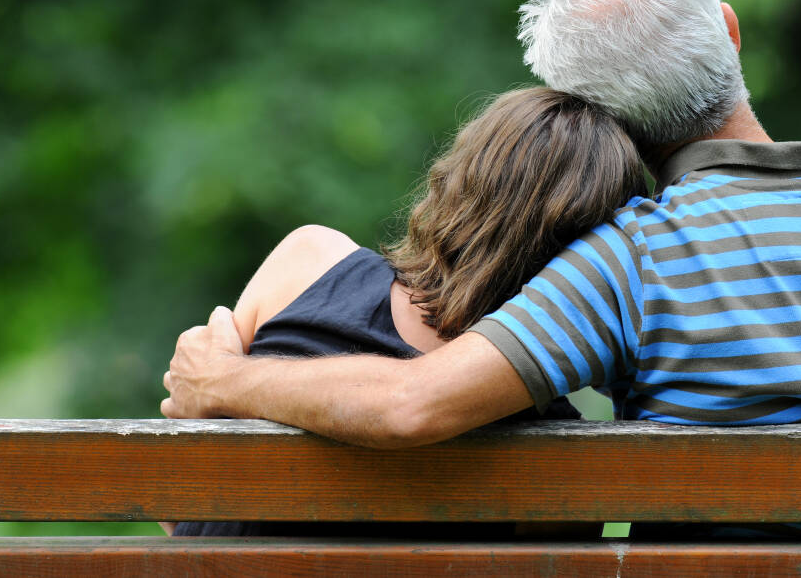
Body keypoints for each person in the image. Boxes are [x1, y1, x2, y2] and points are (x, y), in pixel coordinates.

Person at [163, 0, 801, 540]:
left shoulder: (633, 258)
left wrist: (226, 383)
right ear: (730, 28)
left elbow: (413, 403)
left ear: (594, 115)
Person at [168, 86, 645, 537]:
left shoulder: (307, 263)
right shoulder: (561, 461)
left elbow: (171, 499)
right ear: (590, 256)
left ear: (462, 178)